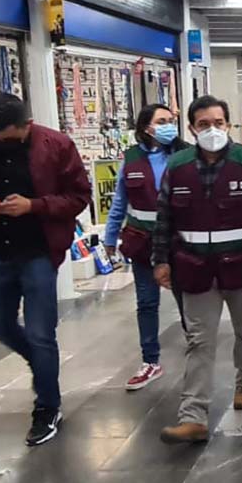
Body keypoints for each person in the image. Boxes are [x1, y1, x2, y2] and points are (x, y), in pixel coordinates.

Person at [0, 91, 91, 446]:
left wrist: (34, 206)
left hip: (39, 250)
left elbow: (79, 197)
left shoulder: (56, 144)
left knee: (43, 333)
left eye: (9, 138)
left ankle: (47, 406)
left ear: (26, 124)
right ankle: (43, 365)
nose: (1, 144)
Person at [152, 96, 242, 443]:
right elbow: (164, 218)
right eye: (204, 124)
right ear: (193, 128)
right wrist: (161, 260)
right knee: (199, 341)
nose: (212, 130)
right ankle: (193, 415)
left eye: (219, 123)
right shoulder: (178, 166)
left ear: (228, 124)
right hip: (194, 268)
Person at [104, 104, 188, 391]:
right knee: (146, 302)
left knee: (186, 298)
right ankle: (150, 360)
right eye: (161, 121)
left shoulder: (184, 154)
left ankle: (198, 349)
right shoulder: (132, 159)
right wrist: (109, 238)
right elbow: (119, 202)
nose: (168, 125)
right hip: (141, 240)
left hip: (179, 240)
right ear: (146, 127)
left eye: (170, 120)